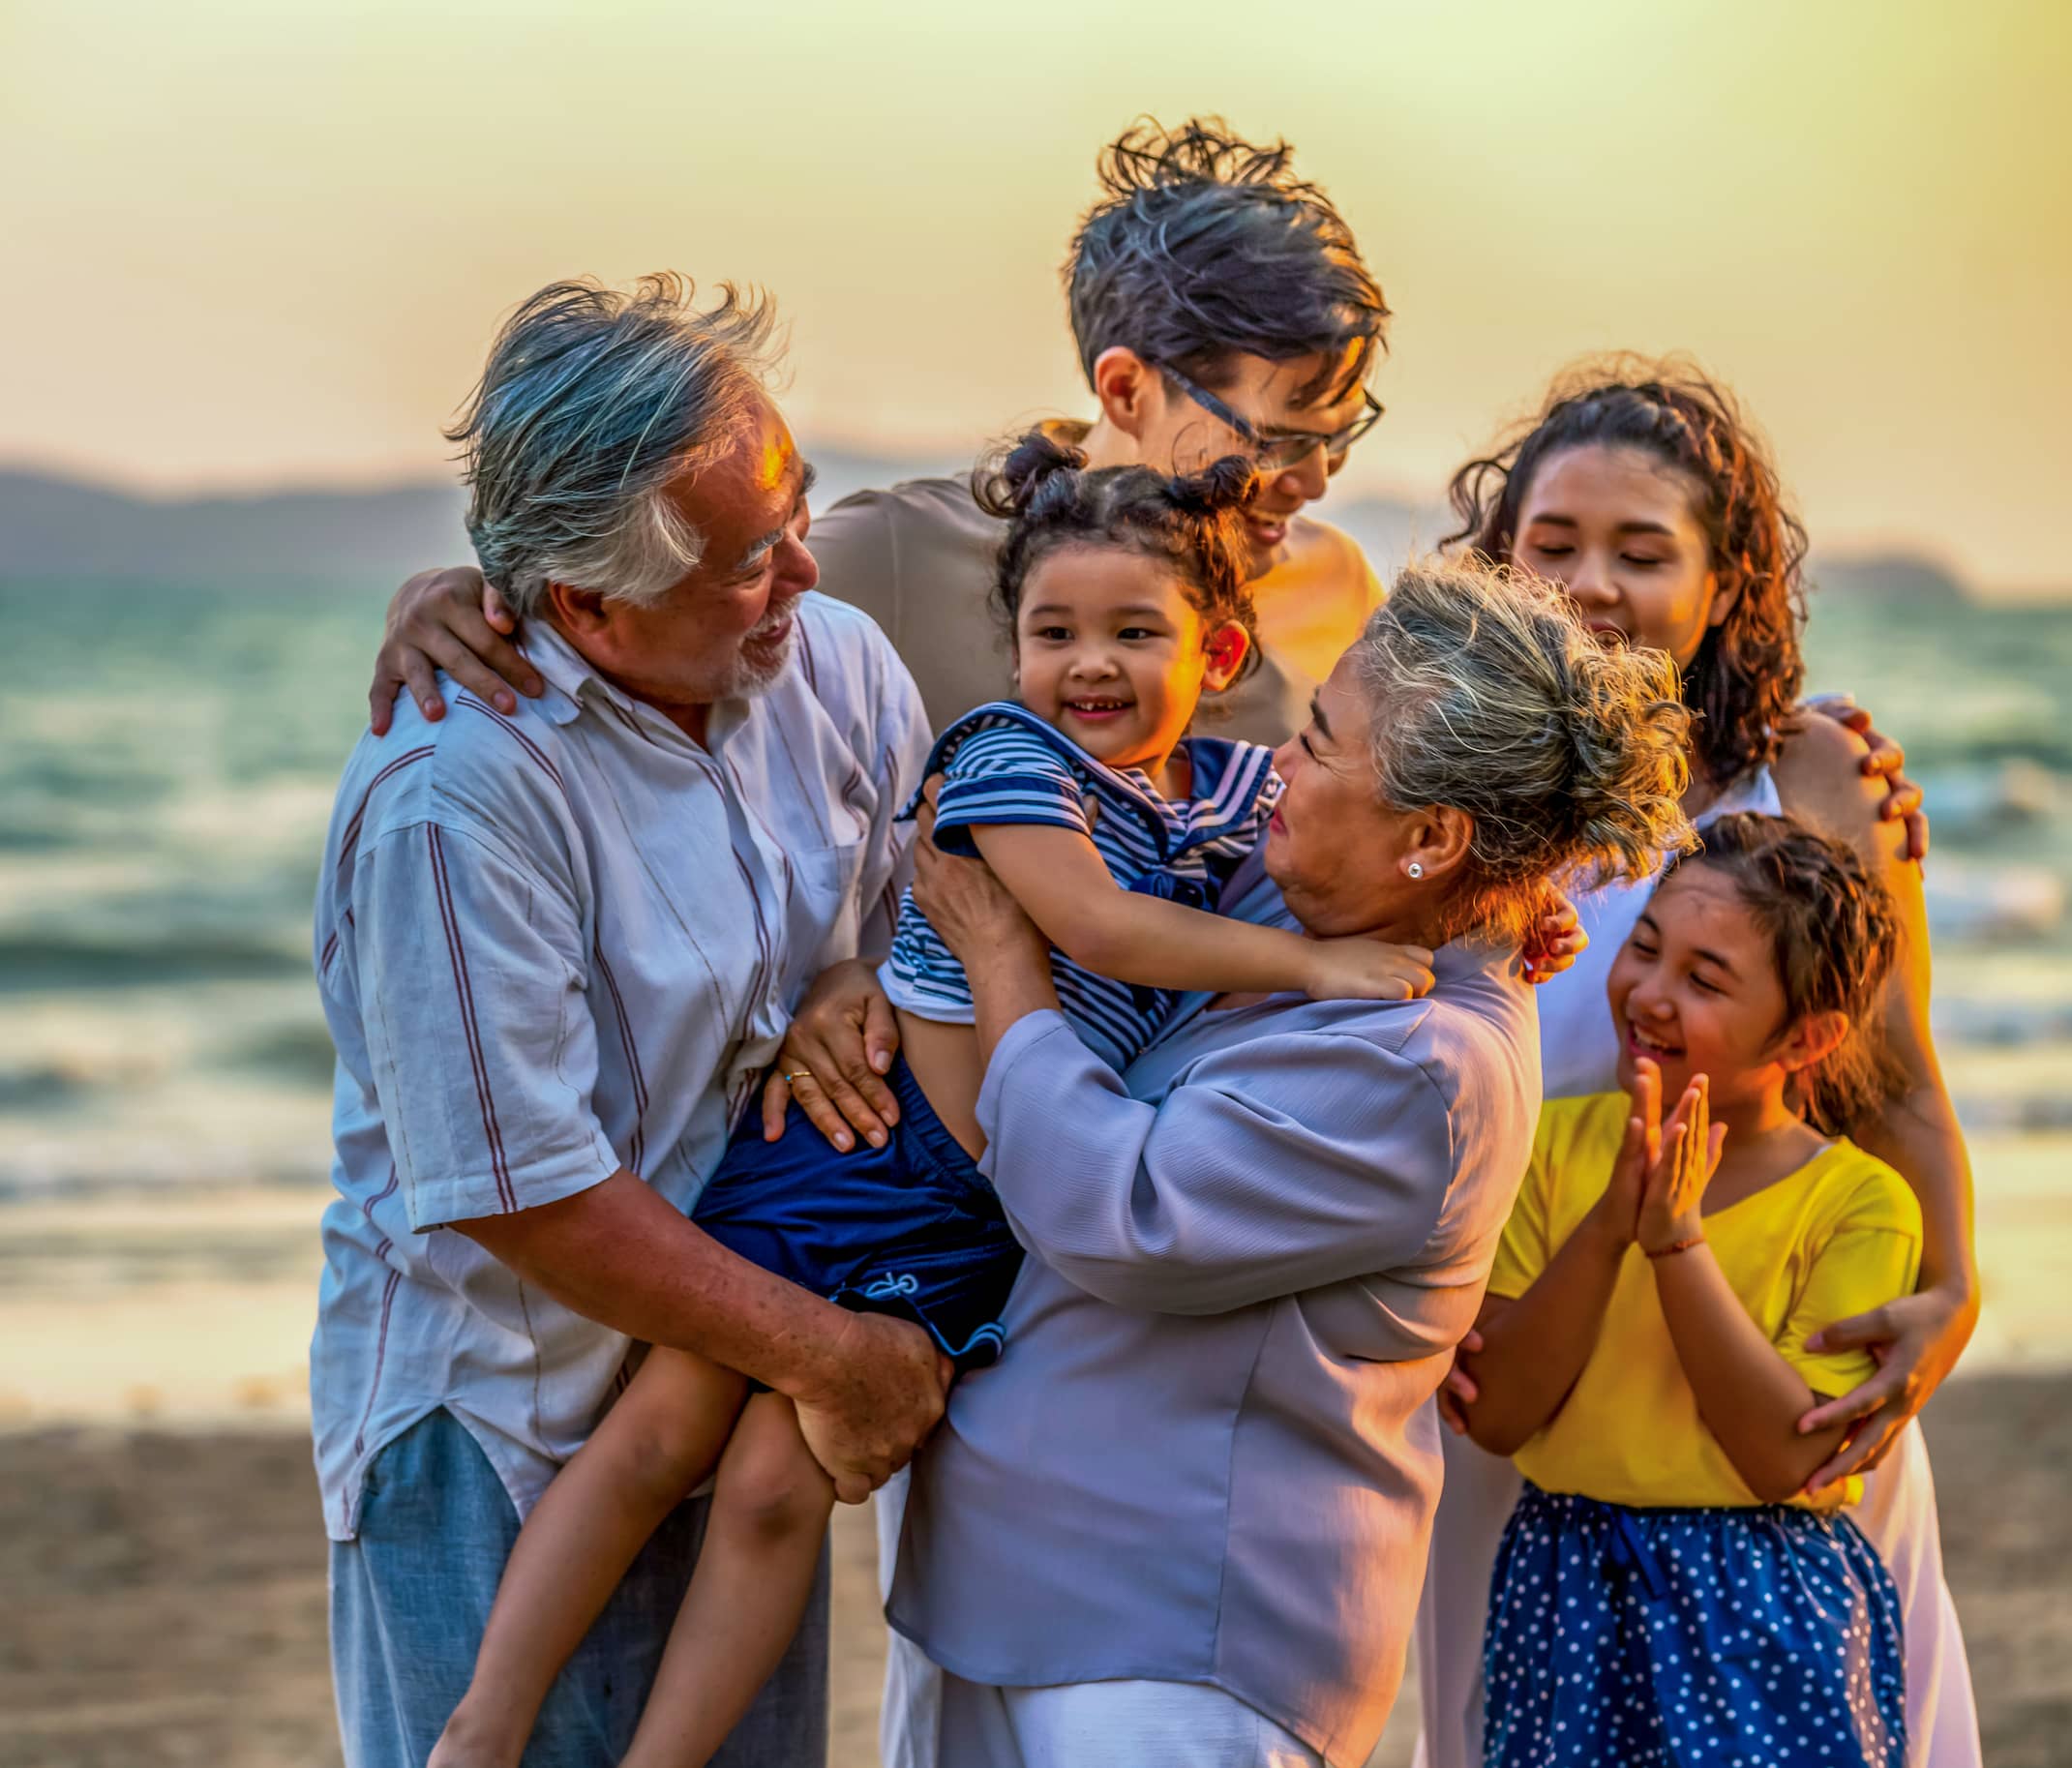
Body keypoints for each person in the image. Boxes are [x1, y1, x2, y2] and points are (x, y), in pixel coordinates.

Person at [423, 435, 1436, 1768]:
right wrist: (1315, 963)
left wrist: (1507, 918)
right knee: (664, 1429)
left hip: (978, 1226)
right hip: (867, 1142)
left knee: (781, 1492)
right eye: (1052, 627)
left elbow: (1385, 808)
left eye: (1137, 631)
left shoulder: (1236, 800)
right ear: (1008, 647)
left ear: (1223, 657)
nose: (1090, 662)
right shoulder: (1010, 756)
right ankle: (479, 1732)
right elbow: (1098, 926)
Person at [871, 558, 1696, 1768]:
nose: (1278, 764)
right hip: (1031, 1597)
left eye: (1316, 742)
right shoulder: (1296, 899)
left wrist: (999, 961)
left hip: (1177, 1648)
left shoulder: (1423, 1064)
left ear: (1430, 838)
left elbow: (1120, 1212)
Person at [311, 275, 950, 1768]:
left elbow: (934, 919)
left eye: (801, 508)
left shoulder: (836, 665)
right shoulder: (454, 795)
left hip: (734, 1403)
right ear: (588, 600)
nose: (803, 566)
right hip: (507, 1429)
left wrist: (855, 981)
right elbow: (521, 1191)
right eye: (749, 558)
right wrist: (831, 1355)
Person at [1416, 360, 1981, 1768]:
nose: (1593, 582)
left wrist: (1953, 1296)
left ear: (1726, 585)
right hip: (1527, 1397)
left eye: (1643, 550)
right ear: (1503, 563)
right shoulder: (1451, 790)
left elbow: (1896, 1074)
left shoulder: (1816, 773)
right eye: (1553, 544)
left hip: (1765, 1369)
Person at [363, 118, 1392, 753]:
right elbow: (647, 610)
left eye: (1337, 441)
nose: (1310, 482)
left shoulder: (1340, 588)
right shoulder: (896, 554)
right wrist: (461, 600)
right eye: (1273, 441)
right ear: (1124, 388)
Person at [1464, 814, 1919, 1768]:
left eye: (1705, 981)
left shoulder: (1859, 1203)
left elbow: (1783, 1461)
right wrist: (1608, 1227)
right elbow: (1499, 1414)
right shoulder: (1554, 1148)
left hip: (1761, 1595)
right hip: (1567, 1576)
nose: (1649, 995)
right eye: (1646, 950)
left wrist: (1677, 1244)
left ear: (1810, 1036)